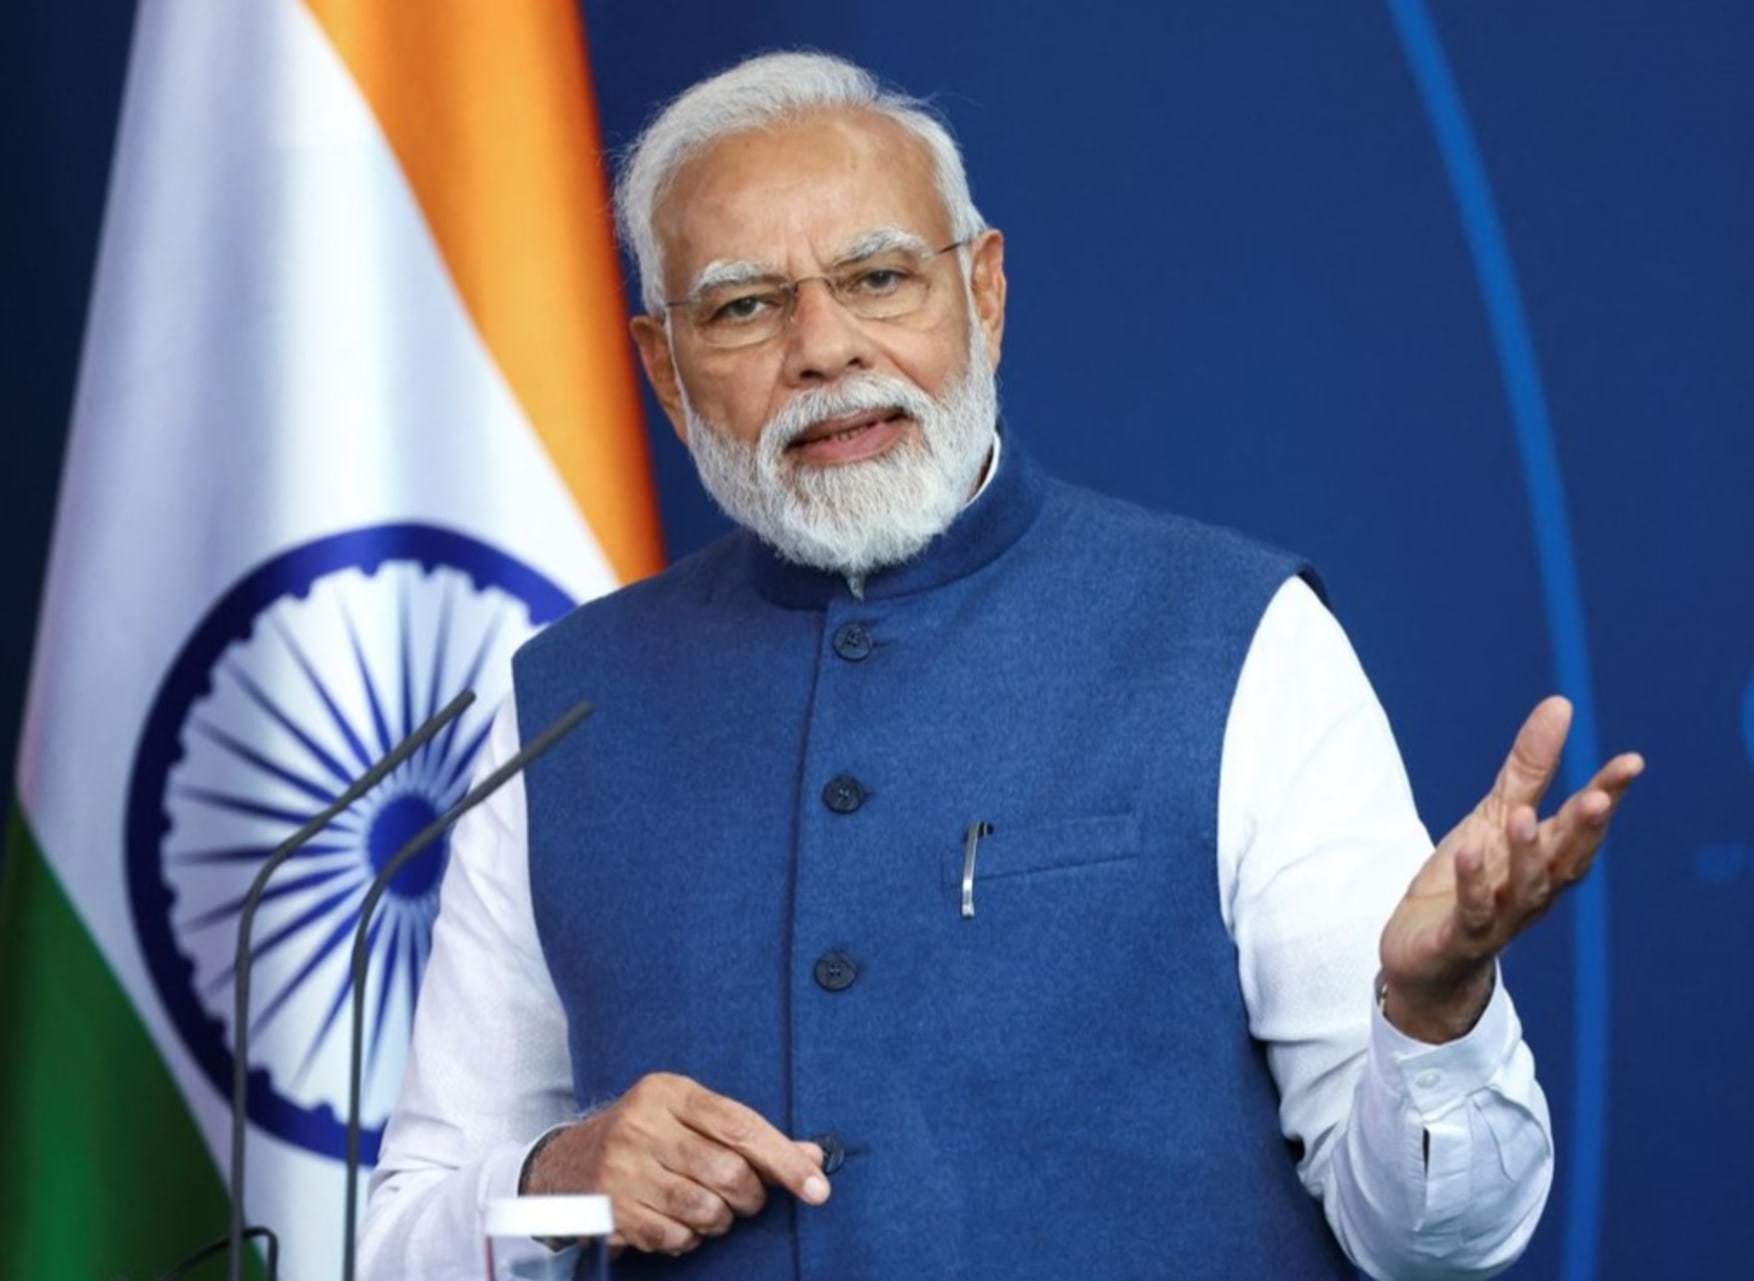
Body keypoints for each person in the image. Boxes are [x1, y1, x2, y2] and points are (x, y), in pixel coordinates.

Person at [359, 50, 1643, 1280]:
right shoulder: (563, 707)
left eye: (878, 279)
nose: (823, 349)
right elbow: (401, 1238)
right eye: (745, 306)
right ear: (663, 369)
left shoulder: (1235, 636)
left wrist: (1433, 1014)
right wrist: (556, 1176)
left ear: (984, 292)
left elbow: (1439, 1246)